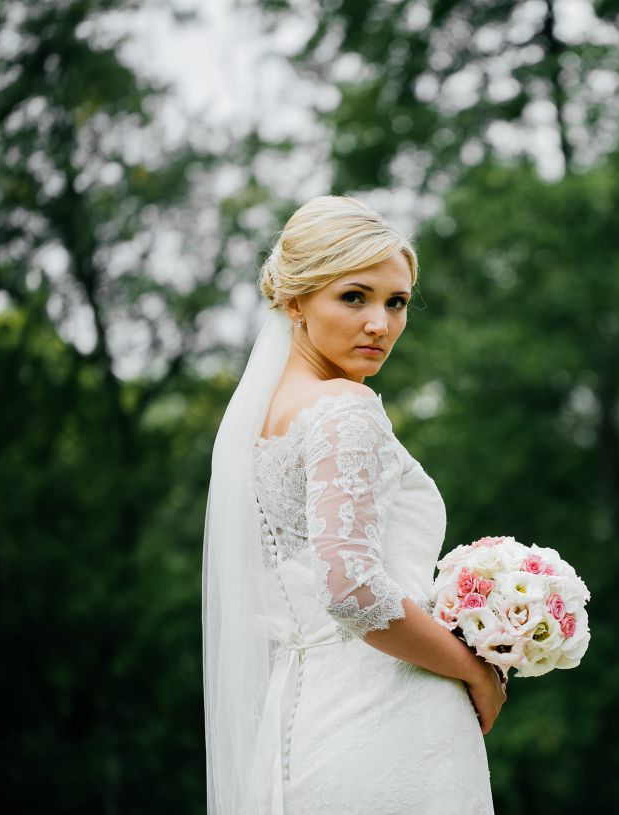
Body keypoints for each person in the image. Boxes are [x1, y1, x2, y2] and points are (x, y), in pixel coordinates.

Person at [202, 195, 504, 814]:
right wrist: (475, 670)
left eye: (396, 303)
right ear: (296, 300)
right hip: (388, 722)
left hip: (300, 722)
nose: (381, 324)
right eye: (354, 297)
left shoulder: (259, 422)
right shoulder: (342, 407)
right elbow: (353, 589)